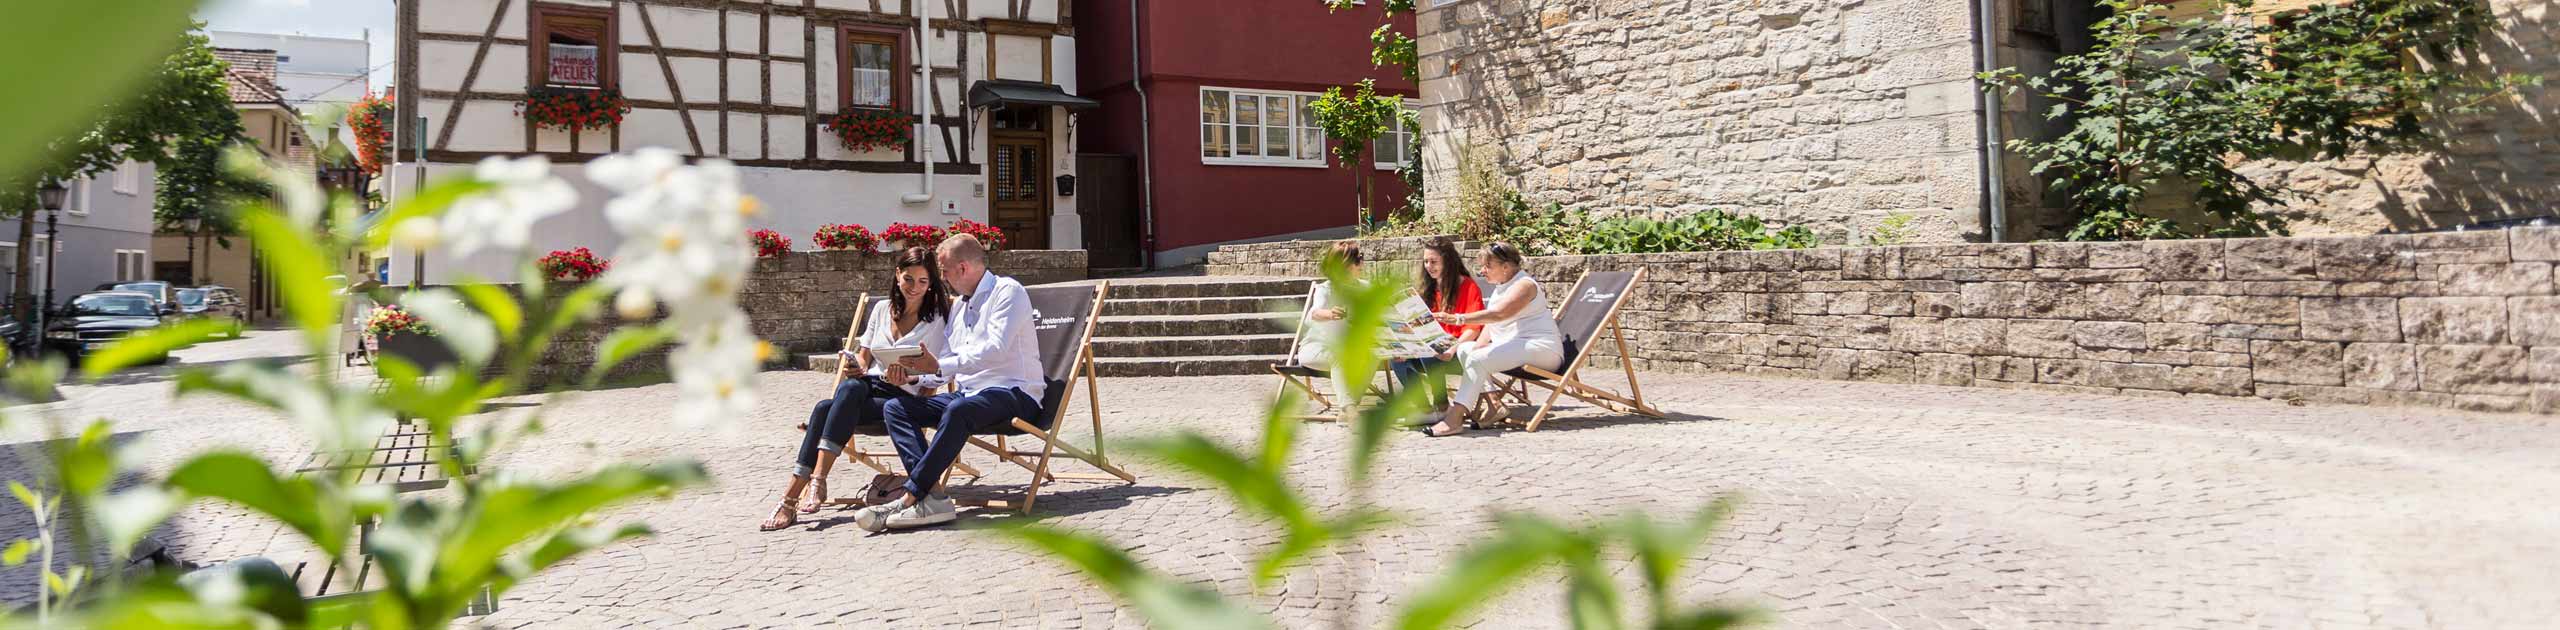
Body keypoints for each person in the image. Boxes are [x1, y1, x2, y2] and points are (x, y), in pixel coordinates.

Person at [856, 233, 1046, 532]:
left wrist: (940, 365)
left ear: (963, 268)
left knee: (959, 411)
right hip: (970, 395)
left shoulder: (1008, 292)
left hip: (1014, 392)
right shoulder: (958, 307)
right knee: (897, 407)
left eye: (943, 271)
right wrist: (915, 375)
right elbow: (944, 362)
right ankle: (933, 496)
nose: (940, 278)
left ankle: (909, 497)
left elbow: (995, 349)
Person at [761, 247, 950, 531]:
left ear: (931, 284)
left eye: (923, 281)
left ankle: (797, 494)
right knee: (847, 389)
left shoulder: (937, 319)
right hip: (868, 389)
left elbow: (941, 371)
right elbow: (865, 358)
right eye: (909, 279)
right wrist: (855, 365)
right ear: (897, 275)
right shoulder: (882, 310)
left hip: (899, 401)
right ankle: (813, 485)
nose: (915, 288)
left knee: (825, 409)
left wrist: (911, 379)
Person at [1424, 242, 1563, 437]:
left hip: (1542, 349)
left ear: (1506, 267)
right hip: (1517, 346)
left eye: (1488, 266)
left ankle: (1454, 418)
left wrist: (1457, 318)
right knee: (1467, 350)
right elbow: (1491, 325)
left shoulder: (1524, 285)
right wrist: (1472, 349)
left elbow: (1498, 315)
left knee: (1476, 359)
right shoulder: (1501, 287)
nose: (1482, 271)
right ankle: (1494, 404)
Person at [1391, 238, 1485, 411]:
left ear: (1448, 261)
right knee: (1397, 359)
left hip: (1459, 351)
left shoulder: (1468, 286)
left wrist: (1452, 349)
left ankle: (1441, 404)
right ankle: (1424, 409)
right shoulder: (1428, 288)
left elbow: (1473, 328)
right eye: (1426, 261)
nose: (1428, 266)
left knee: (1430, 352)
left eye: (1434, 261)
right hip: (1432, 349)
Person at [1291, 242, 1372, 411]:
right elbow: (1314, 314)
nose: (1362, 263)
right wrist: (1330, 314)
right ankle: (1349, 411)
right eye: (1359, 259)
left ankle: (1350, 407)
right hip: (1316, 348)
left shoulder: (1365, 288)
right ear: (1347, 265)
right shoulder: (1326, 289)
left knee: (1374, 354)